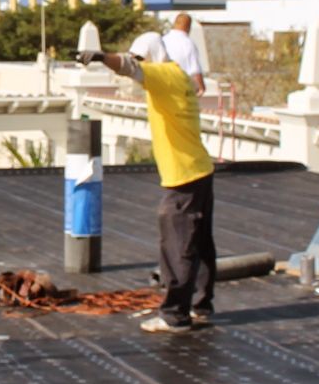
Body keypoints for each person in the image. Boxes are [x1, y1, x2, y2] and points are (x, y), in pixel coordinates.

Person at [81, 32, 217, 333]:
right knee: (200, 244)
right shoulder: (178, 75)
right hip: (199, 170)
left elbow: (129, 67)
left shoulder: (163, 75)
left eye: (141, 56)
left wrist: (102, 57)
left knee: (177, 244)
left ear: (152, 55)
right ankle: (200, 306)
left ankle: (174, 315)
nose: (139, 63)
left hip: (183, 177)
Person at [162, 13, 207, 94]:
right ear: (189, 26)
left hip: (162, 87)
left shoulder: (163, 40)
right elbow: (195, 71)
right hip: (181, 90)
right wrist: (202, 88)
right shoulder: (188, 43)